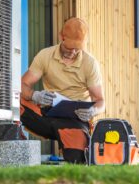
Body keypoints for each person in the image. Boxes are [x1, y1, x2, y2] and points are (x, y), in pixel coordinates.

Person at [20, 17, 105, 163]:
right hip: (47, 115)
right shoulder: (45, 55)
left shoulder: (90, 63)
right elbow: (22, 85)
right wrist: (34, 95)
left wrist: (92, 111)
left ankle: (70, 146)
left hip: (75, 121)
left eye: (77, 49)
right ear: (61, 37)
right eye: (69, 47)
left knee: (76, 162)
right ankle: (12, 138)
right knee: (14, 98)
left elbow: (100, 101)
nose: (72, 52)